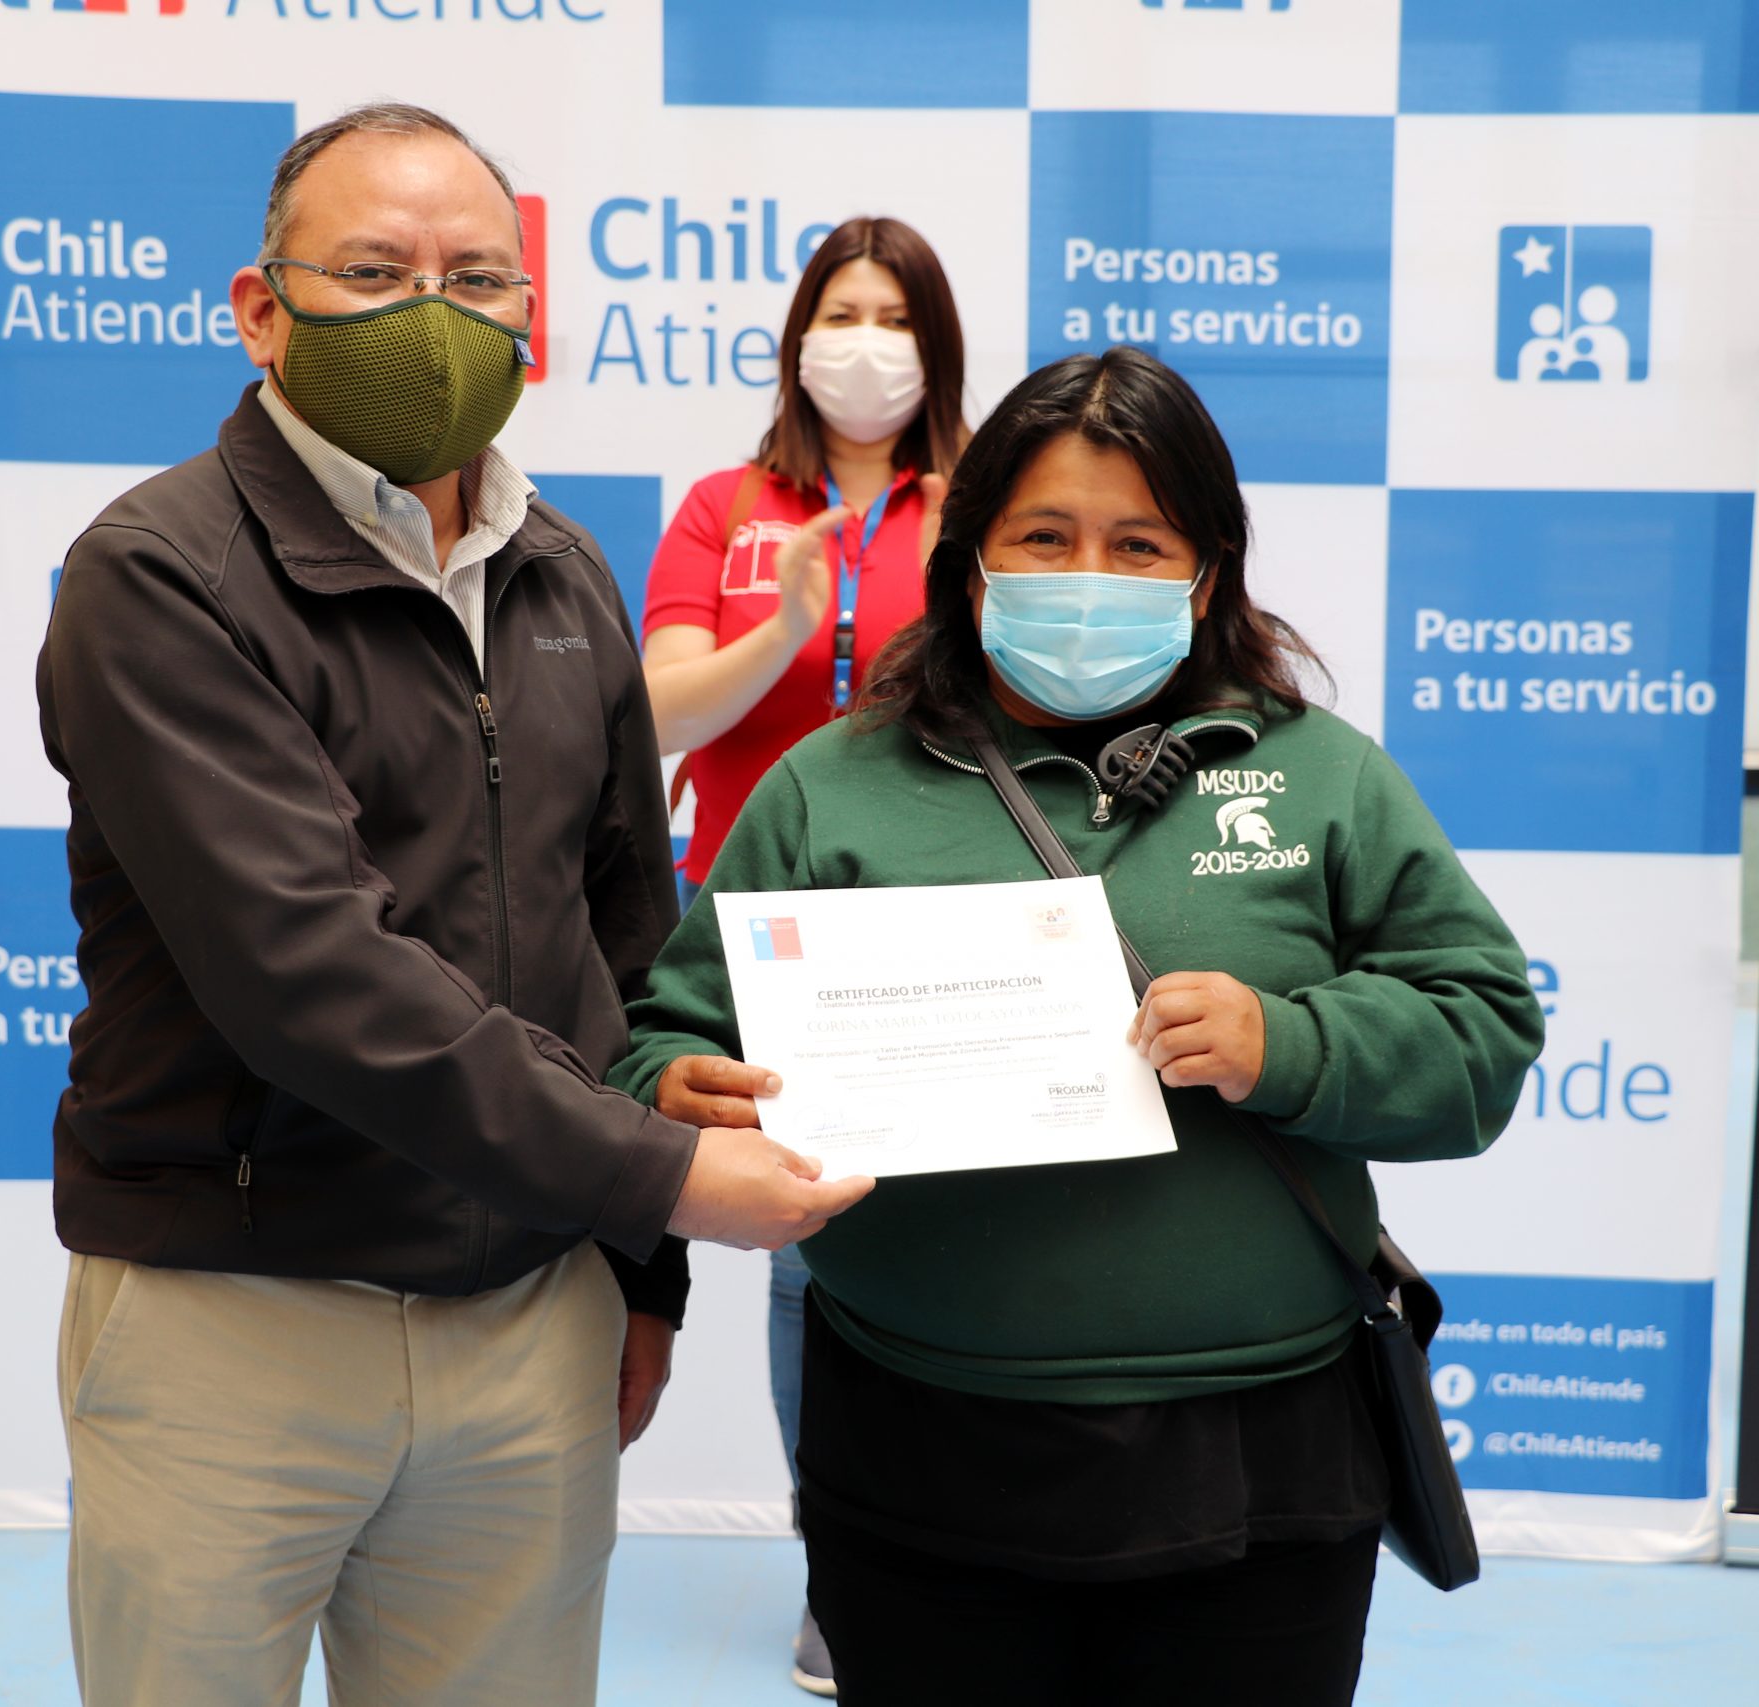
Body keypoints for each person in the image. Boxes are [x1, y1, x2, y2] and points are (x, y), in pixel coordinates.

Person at [34, 103, 871, 1707]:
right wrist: (665, 1177)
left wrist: (640, 1268)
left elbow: (625, 935)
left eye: (481, 278)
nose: (437, 311)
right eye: (375, 269)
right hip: (237, 1310)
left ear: (533, 316)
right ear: (259, 307)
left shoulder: (561, 569)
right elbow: (312, 975)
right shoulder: (159, 573)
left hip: (529, 1322)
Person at [612, 347, 1544, 1707]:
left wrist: (1291, 1045)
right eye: (1045, 536)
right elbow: (661, 1036)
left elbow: (1485, 1034)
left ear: (1208, 573)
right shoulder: (833, 786)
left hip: (1262, 1461)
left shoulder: (1318, 776)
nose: (1089, 574)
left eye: (1139, 542)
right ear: (973, 557)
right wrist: (679, 1090)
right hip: (917, 1449)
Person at [637, 212, 968, 1698]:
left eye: (897, 314)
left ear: (935, 344)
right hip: (752, 940)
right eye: (843, 309)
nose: (868, 341)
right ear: (797, 335)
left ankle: (945, 1548)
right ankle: (842, 1570)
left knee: (922, 1252)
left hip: (926, 934)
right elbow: (660, 717)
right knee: (797, 1255)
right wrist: (783, 631)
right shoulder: (725, 508)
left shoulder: (979, 503)